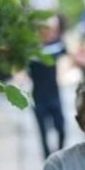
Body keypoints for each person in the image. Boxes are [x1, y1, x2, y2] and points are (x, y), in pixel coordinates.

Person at [27, 16, 66, 159]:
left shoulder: (57, 46)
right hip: (38, 96)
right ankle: (47, 158)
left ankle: (59, 155)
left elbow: (72, 56)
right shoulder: (31, 51)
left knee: (61, 128)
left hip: (54, 94)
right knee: (43, 132)